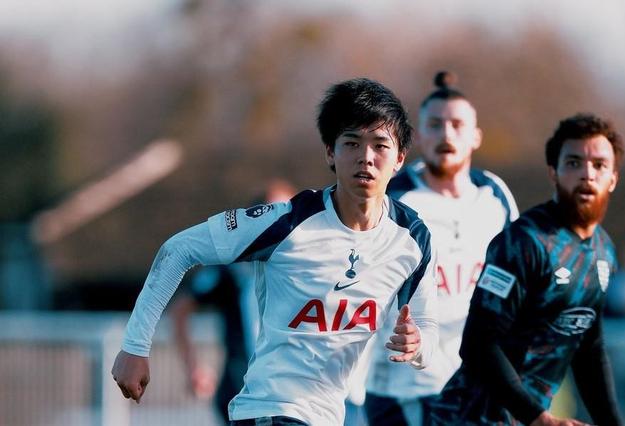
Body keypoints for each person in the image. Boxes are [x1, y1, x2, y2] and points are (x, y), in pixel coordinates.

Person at [111, 77, 440, 426]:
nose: (366, 158)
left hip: (338, 413)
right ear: (330, 152)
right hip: (272, 410)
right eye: (352, 143)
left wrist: (417, 345)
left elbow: (427, 327)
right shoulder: (286, 223)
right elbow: (179, 249)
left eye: (380, 145)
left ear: (400, 158)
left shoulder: (412, 239)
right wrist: (135, 346)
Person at [430, 113, 624, 425]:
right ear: (553, 172)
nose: (587, 174)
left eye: (599, 165)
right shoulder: (525, 242)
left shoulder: (604, 250)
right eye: (574, 163)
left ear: (613, 178)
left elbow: (589, 348)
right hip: (469, 418)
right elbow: (479, 344)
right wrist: (538, 417)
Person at [364, 71, 518, 426]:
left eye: (457, 125)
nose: (447, 134)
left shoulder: (494, 194)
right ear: (417, 136)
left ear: (475, 136)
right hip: (406, 388)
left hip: (478, 382)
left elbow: (516, 278)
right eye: (435, 125)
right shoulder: (392, 198)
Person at [170, 179, 296, 424]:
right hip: (241, 388)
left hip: (295, 391)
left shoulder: (310, 269)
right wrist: (193, 366)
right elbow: (181, 309)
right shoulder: (233, 268)